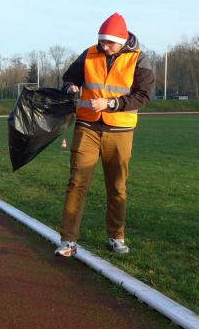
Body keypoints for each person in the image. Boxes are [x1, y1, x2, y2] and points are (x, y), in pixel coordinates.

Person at [55, 13, 155, 258]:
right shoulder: (89, 53)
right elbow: (69, 78)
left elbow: (143, 95)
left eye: (109, 43)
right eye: (101, 41)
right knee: (77, 183)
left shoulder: (139, 59)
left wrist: (111, 104)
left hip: (120, 130)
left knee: (117, 186)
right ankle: (68, 240)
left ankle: (116, 236)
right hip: (87, 127)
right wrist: (71, 87)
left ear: (121, 41)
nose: (104, 46)